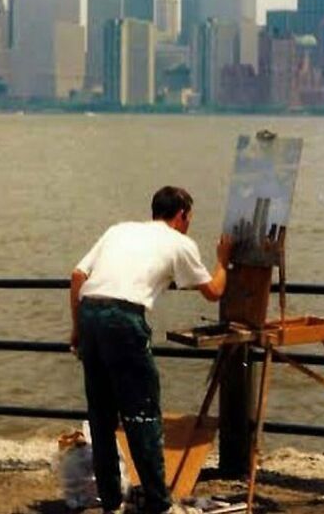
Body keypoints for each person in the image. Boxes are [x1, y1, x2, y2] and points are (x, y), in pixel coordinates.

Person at [70, 185, 233, 514]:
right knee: (143, 415)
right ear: (181, 215)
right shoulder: (179, 242)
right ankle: (159, 504)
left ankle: (111, 504)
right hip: (124, 319)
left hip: (90, 313)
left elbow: (77, 276)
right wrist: (223, 261)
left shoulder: (119, 230)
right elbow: (214, 291)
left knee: (101, 418)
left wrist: (77, 330)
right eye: (189, 218)